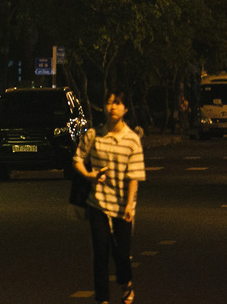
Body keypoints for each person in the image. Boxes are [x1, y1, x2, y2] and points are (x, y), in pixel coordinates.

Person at [73, 90, 145, 304]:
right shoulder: (93, 135)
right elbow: (78, 158)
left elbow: (134, 176)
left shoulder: (132, 140)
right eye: (109, 102)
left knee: (121, 253)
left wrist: (130, 205)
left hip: (123, 205)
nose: (113, 107)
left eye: (118, 103)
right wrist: (89, 175)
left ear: (125, 109)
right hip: (98, 203)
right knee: (100, 253)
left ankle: (126, 282)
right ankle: (102, 298)